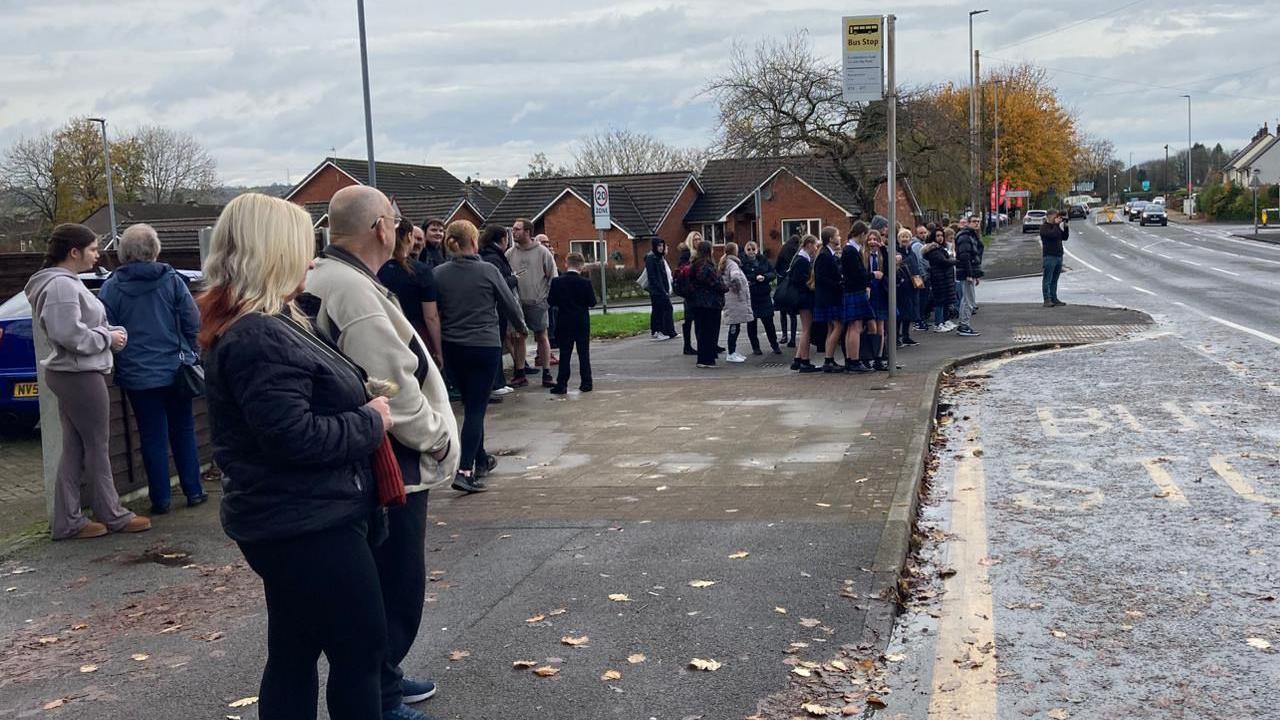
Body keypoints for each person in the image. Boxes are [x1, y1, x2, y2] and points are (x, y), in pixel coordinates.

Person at [197, 193, 389, 719]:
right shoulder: (260, 335)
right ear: (275, 252)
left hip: (293, 518)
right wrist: (371, 420)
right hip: (307, 521)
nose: (310, 260)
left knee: (296, 648)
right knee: (361, 648)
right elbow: (294, 438)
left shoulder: (263, 322)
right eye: (304, 248)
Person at [305, 186, 461, 720]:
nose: (399, 228)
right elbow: (392, 380)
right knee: (396, 587)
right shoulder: (352, 291)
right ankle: (382, 695)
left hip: (363, 462)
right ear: (379, 227)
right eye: (394, 220)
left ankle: (386, 679)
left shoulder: (330, 278)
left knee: (379, 583)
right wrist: (437, 439)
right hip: (393, 464)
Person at [25, 224, 151, 540]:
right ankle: (112, 514)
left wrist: (106, 336)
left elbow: (72, 331)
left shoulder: (63, 284)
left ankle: (69, 520)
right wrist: (107, 337)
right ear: (74, 252)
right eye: (93, 249)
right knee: (97, 444)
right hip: (78, 373)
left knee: (76, 446)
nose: (97, 255)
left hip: (74, 372)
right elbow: (68, 335)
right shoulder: (62, 287)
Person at [99, 223, 206, 514]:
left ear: (123, 253)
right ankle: (194, 490)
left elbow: (106, 328)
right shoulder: (172, 281)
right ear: (155, 250)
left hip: (138, 375)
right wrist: (191, 353)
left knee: (151, 435)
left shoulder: (111, 288)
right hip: (176, 368)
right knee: (183, 429)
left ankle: (161, 499)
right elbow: (192, 321)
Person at [434, 221, 528, 492]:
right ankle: (465, 471)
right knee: (476, 410)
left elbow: (434, 311)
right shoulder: (487, 271)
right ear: (474, 241)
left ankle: (482, 458)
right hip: (484, 346)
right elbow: (508, 303)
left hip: (453, 347)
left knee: (471, 403)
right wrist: (522, 328)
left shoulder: (438, 274)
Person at [378, 220, 444, 368]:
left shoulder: (377, 269)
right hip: (415, 335)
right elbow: (431, 316)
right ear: (409, 236)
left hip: (385, 333)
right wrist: (438, 350)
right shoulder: (421, 271)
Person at [506, 220, 557, 388]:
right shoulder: (509, 253)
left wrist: (547, 298)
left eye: (517, 229)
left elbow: (553, 276)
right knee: (519, 337)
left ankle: (547, 372)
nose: (514, 232)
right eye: (513, 229)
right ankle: (520, 373)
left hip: (538, 301)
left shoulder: (542, 252)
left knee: (541, 335)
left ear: (527, 231)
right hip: (517, 303)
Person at [547, 252, 596, 393]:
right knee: (583, 353)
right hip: (581, 321)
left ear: (566, 264)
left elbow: (551, 301)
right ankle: (586, 383)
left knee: (565, 353)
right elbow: (592, 303)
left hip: (564, 321)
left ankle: (561, 384)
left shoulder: (557, 282)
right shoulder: (585, 283)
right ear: (581, 266)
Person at [479, 225, 518, 398]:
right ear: (503, 239)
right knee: (496, 344)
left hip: (493, 307)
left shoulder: (488, 255)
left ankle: (499, 381)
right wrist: (514, 279)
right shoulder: (494, 258)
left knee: (500, 343)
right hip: (496, 308)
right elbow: (499, 283)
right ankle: (496, 383)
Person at [686, 239, 727, 369]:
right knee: (710, 332)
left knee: (702, 332)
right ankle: (707, 359)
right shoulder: (706, 266)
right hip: (710, 304)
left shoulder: (695, 264)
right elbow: (715, 283)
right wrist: (725, 287)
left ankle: (703, 358)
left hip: (697, 303)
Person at [840, 222, 874, 373]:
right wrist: (872, 275)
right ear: (861, 234)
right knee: (856, 327)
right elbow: (857, 273)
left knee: (852, 327)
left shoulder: (850, 249)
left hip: (851, 290)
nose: (866, 239)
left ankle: (850, 359)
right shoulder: (851, 251)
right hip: (855, 290)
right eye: (865, 235)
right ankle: (854, 361)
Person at [812, 226, 844, 373]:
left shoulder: (826, 254)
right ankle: (828, 360)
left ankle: (829, 358)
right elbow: (823, 278)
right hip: (828, 297)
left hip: (825, 297)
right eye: (837, 235)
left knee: (831, 328)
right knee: (838, 326)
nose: (839, 237)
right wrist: (839, 283)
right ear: (830, 239)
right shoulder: (825, 255)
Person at [741, 241, 781, 355]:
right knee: (752, 324)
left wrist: (764, 277)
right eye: (749, 249)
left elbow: (772, 273)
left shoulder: (763, 260)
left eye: (753, 249)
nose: (751, 252)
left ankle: (775, 345)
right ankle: (755, 347)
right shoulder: (743, 263)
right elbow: (743, 276)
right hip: (751, 296)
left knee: (769, 323)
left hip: (764, 295)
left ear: (757, 250)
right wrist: (754, 277)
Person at [788, 234, 820, 373]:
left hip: (800, 298)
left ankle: (798, 359)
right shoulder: (802, 261)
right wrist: (812, 285)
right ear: (808, 245)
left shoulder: (799, 259)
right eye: (815, 245)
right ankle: (805, 361)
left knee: (805, 329)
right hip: (804, 299)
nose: (816, 248)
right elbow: (802, 282)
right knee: (807, 329)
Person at [718, 242, 753, 363]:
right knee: (734, 327)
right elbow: (735, 278)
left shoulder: (725, 262)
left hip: (730, 299)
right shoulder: (732, 264)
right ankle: (731, 353)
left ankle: (733, 351)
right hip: (735, 300)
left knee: (735, 326)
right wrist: (739, 288)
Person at [864, 230, 892, 371]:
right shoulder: (864, 255)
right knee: (870, 326)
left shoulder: (882, 255)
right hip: (869, 292)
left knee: (881, 326)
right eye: (870, 239)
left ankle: (879, 357)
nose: (873, 242)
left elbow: (888, 269)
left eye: (875, 239)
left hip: (880, 291)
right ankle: (868, 355)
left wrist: (883, 249)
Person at [953, 217, 984, 336]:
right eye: (974, 221)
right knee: (968, 300)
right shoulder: (965, 236)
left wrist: (975, 274)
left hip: (968, 271)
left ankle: (963, 324)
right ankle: (964, 325)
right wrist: (970, 273)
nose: (977, 223)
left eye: (978, 221)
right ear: (969, 223)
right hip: (966, 272)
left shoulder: (971, 235)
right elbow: (965, 256)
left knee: (967, 299)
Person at [923, 227, 958, 332]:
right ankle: (938, 323)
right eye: (937, 236)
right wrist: (954, 261)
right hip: (938, 278)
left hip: (945, 278)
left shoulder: (941, 249)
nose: (940, 238)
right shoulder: (933, 250)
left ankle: (944, 321)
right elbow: (943, 261)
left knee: (946, 301)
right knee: (939, 301)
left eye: (941, 235)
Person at [644, 239, 677, 341]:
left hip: (662, 289)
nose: (661, 248)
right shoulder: (651, 258)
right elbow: (653, 276)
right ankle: (657, 331)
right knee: (659, 310)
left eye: (662, 246)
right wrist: (661, 289)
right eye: (659, 246)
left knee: (664, 309)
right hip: (656, 290)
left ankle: (668, 330)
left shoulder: (660, 258)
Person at [894, 228, 922, 348]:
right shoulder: (896, 253)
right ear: (898, 239)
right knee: (900, 314)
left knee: (909, 312)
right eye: (902, 237)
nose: (905, 239)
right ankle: (896, 337)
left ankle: (906, 335)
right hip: (901, 286)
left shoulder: (912, 253)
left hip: (912, 286)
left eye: (907, 237)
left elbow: (916, 267)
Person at [675, 232, 699, 356]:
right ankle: (687, 345)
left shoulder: (701, 253)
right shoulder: (686, 255)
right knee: (689, 319)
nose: (698, 241)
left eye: (699, 239)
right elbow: (682, 272)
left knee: (701, 319)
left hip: (698, 291)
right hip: (689, 292)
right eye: (695, 239)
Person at [775, 235, 801, 347]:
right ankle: (793, 339)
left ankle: (784, 335)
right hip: (792, 286)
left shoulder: (783, 250)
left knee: (783, 312)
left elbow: (776, 267)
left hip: (782, 284)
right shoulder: (797, 254)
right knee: (793, 314)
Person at [1040, 209, 1068, 307]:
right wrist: (1056, 225)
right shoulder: (1044, 227)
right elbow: (1052, 235)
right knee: (1047, 279)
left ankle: (1054, 298)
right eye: (1055, 216)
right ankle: (1047, 299)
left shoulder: (1056, 227)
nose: (1057, 218)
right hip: (1049, 256)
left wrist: (1065, 226)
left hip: (1058, 256)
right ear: (1049, 216)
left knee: (1055, 279)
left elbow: (1064, 237)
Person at [910, 225, 931, 332]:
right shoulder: (917, 245)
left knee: (923, 299)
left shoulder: (923, 244)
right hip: (921, 277)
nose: (923, 235)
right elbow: (920, 261)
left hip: (923, 275)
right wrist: (924, 275)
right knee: (921, 299)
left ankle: (921, 319)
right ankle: (918, 320)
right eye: (921, 233)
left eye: (924, 232)